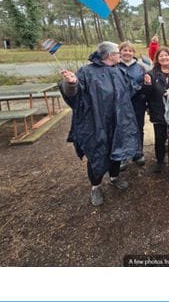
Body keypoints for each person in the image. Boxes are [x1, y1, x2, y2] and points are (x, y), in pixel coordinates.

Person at [59, 42, 137, 206]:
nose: (120, 54)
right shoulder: (87, 72)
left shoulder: (118, 70)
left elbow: (129, 90)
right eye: (117, 52)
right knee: (97, 153)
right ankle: (95, 187)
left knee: (117, 148)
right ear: (109, 55)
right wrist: (71, 83)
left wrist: (145, 81)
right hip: (95, 123)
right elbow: (74, 94)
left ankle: (114, 177)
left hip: (117, 122)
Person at [142, 47, 169, 173]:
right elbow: (146, 94)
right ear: (157, 59)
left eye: (166, 55)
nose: (164, 58)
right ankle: (160, 161)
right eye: (161, 56)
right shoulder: (151, 73)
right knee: (159, 138)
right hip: (158, 110)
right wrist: (147, 84)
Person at [117, 41, 149, 166]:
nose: (127, 53)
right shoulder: (114, 67)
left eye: (130, 50)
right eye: (124, 50)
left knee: (137, 128)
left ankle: (138, 153)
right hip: (120, 105)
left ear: (133, 53)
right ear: (120, 52)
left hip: (137, 104)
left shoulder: (140, 68)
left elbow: (145, 85)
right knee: (121, 129)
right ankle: (123, 155)